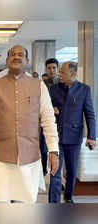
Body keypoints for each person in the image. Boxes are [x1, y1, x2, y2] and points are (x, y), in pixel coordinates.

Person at [0, 45, 59, 203]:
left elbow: (48, 120)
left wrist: (53, 150)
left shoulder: (38, 85)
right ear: (7, 60)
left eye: (21, 54)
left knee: (26, 204)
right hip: (0, 157)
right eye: (12, 54)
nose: (16, 57)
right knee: (0, 203)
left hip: (29, 158)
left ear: (27, 60)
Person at [48, 61, 96, 203]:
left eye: (62, 72)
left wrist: (91, 137)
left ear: (72, 74)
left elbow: (90, 114)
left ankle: (68, 198)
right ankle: (53, 203)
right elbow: (46, 107)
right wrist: (52, 109)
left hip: (74, 138)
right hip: (56, 137)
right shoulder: (54, 89)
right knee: (54, 171)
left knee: (72, 171)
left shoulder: (84, 90)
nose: (59, 74)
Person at [40, 58, 59, 176]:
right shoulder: (42, 85)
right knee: (43, 149)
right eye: (49, 68)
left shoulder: (62, 85)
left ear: (57, 68)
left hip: (60, 123)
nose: (51, 70)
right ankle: (43, 171)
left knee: (56, 150)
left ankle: (56, 173)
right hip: (44, 122)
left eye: (54, 68)